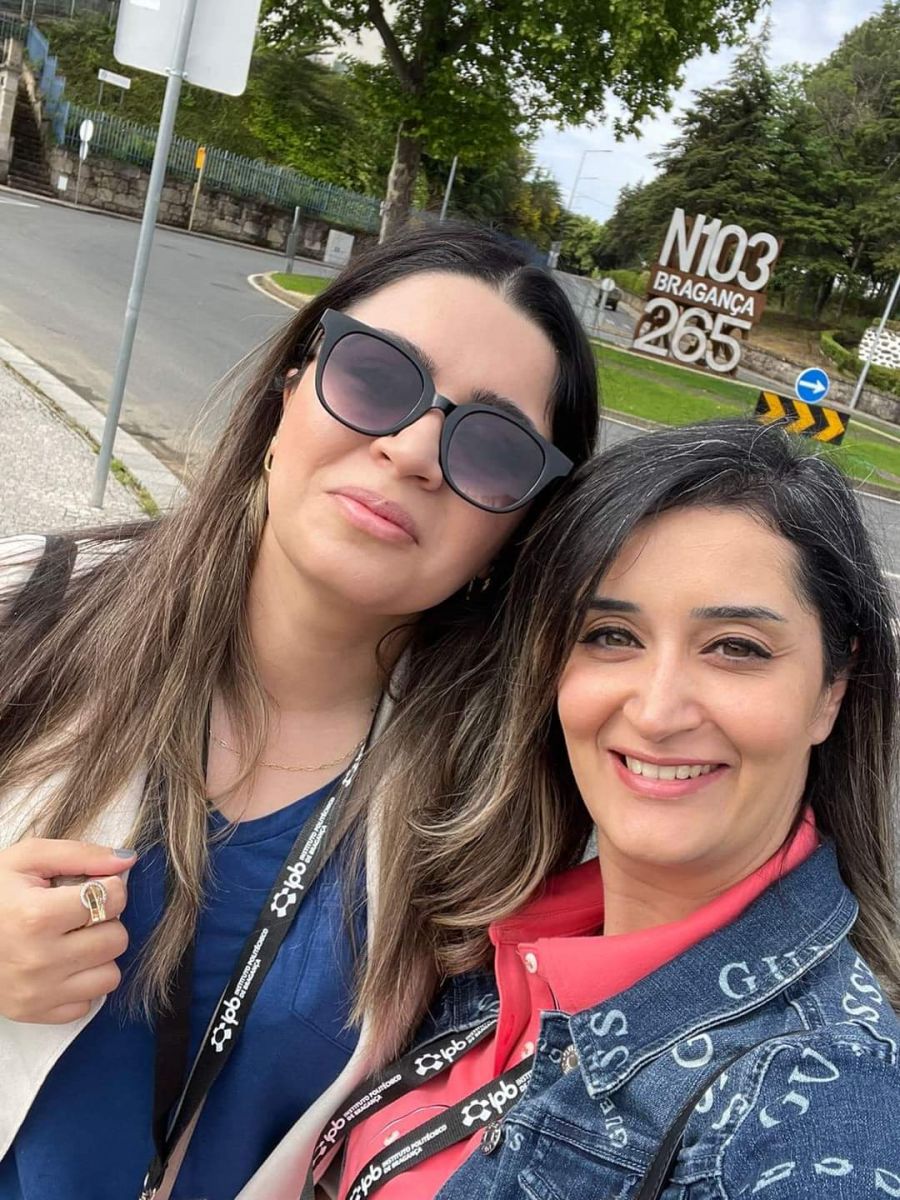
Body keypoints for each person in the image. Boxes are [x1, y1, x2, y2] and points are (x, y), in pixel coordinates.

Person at [0, 222, 599, 1200]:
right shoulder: (29, 606)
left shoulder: (503, 810)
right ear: (288, 391)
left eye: (493, 448)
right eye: (376, 377)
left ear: (519, 530)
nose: (412, 450)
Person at [327, 418, 900, 1200]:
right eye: (610, 635)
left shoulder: (826, 1105)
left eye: (736, 647)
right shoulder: (487, 936)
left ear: (832, 688)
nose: (658, 712)